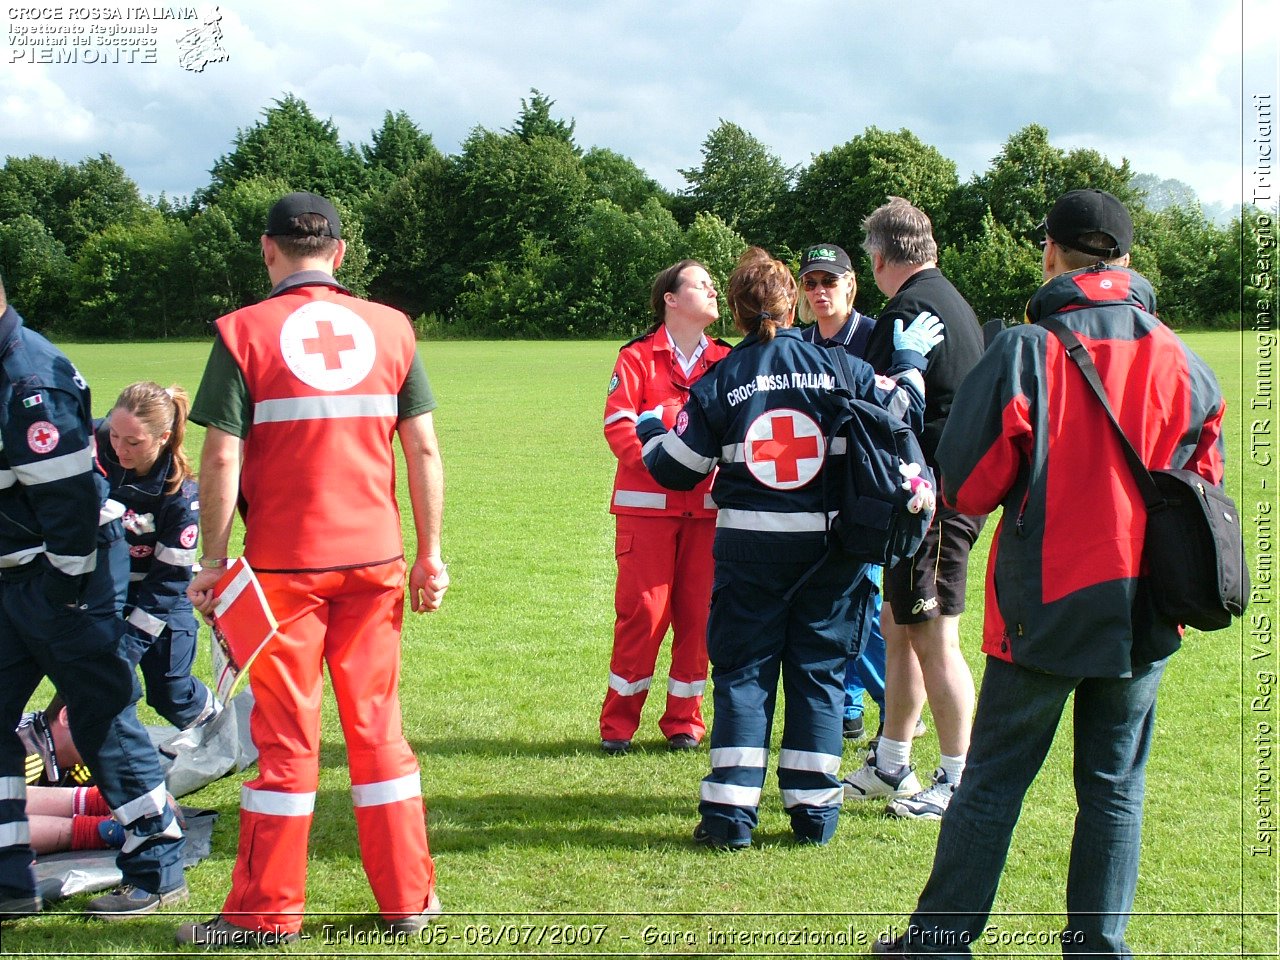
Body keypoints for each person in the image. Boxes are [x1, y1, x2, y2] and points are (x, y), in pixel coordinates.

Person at [873, 189, 1227, 958]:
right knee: (1114, 792)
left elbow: (965, 484)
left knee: (993, 784)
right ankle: (1099, 949)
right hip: (1145, 610)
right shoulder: (1186, 361)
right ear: (1127, 259)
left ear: (1051, 252)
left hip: (1045, 602)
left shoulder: (1027, 348)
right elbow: (1205, 489)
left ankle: (937, 943)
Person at [180, 191, 449, 949]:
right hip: (376, 560)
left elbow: (223, 454)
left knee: (288, 742)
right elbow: (423, 449)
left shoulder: (242, 332)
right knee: (378, 733)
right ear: (340, 253)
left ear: (269, 251)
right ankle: (410, 901)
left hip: (282, 571)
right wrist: (430, 554)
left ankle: (265, 915)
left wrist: (211, 559)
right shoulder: (393, 328)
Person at [637, 247, 942, 848]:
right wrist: (909, 362)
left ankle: (729, 818)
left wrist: (650, 427)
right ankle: (813, 816)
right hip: (831, 557)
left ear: (739, 311)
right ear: (790, 301)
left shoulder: (719, 380)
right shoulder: (840, 368)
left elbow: (676, 468)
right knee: (820, 676)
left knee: (744, 677)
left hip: (749, 556)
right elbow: (903, 410)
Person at [0, 275, 187, 922]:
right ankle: (9, 882)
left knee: (101, 719)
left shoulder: (29, 385)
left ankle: (158, 867)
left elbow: (70, 512)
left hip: (59, 580)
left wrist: (61, 595)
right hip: (24, 576)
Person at [842, 198, 986, 821]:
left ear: (877, 258)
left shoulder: (907, 308)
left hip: (934, 498)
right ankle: (891, 761)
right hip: (935, 494)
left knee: (932, 634)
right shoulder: (947, 296)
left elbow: (880, 409)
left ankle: (958, 778)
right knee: (899, 628)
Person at [599, 260, 731, 755]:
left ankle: (684, 723)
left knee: (699, 617)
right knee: (643, 615)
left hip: (708, 512)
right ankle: (618, 725)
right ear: (671, 300)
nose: (713, 290)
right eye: (701, 284)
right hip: (647, 511)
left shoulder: (724, 359)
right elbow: (619, 426)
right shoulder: (636, 357)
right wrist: (665, 467)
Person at [796, 243, 925, 746]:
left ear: (852, 283)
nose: (820, 291)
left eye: (830, 281)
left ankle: (896, 703)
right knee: (830, 601)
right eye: (810, 283)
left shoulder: (875, 336)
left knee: (863, 602)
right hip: (811, 488)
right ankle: (848, 709)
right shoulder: (801, 339)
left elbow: (902, 409)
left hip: (863, 487)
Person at [97, 382, 219, 739]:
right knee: (96, 684)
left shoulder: (179, 497)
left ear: (163, 437)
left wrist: (130, 644)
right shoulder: (93, 445)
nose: (119, 448)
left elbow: (168, 584)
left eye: (133, 443)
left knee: (170, 692)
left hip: (157, 597)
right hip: (100, 591)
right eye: (115, 434)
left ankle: (226, 733)